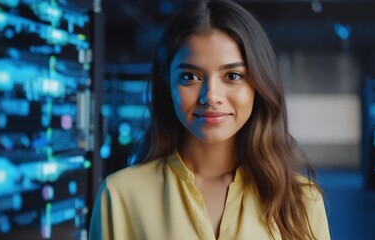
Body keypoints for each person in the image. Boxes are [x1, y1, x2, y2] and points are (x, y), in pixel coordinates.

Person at [89, 0, 330, 239]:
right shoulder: (121, 195)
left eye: (233, 75)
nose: (211, 96)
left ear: (259, 84)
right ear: (167, 85)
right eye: (190, 76)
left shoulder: (301, 199)